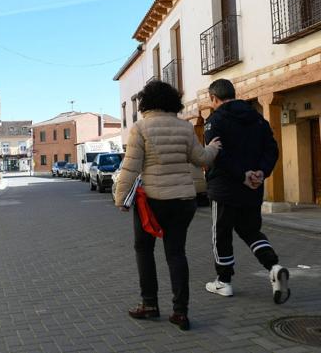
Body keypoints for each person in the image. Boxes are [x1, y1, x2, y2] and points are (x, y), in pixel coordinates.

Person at [114, 80, 221, 331]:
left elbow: (131, 167)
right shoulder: (184, 128)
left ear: (146, 103)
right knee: (176, 254)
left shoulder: (140, 128)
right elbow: (201, 159)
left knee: (144, 249)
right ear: (172, 101)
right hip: (183, 200)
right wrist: (213, 148)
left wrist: (121, 199)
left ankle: (149, 304)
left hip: (152, 202)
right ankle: (180, 313)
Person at [203, 79, 290, 304]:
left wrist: (242, 174)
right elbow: (272, 148)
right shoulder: (257, 118)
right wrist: (260, 172)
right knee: (251, 231)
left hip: (225, 188)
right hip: (252, 189)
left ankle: (224, 282)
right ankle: (274, 266)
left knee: (221, 233)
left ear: (213, 98)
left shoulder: (215, 121)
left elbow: (216, 155)